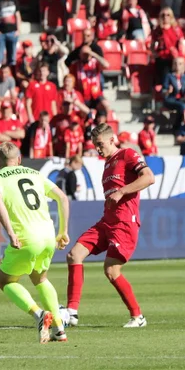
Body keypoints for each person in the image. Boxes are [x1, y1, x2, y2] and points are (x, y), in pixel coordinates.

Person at [64, 123, 155, 328]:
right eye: (95, 144)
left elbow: (149, 177)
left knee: (112, 271)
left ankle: (138, 317)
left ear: (112, 140)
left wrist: (122, 191)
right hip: (107, 221)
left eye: (100, 144)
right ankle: (71, 312)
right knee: (74, 255)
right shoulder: (107, 164)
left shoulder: (127, 154)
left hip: (124, 223)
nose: (97, 148)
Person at [0, 141, 72, 343]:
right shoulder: (34, 173)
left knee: (5, 281)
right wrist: (63, 231)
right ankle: (60, 329)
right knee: (40, 279)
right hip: (47, 235)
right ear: (19, 159)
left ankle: (39, 315)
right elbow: (62, 198)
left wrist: (10, 231)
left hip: (26, 236)